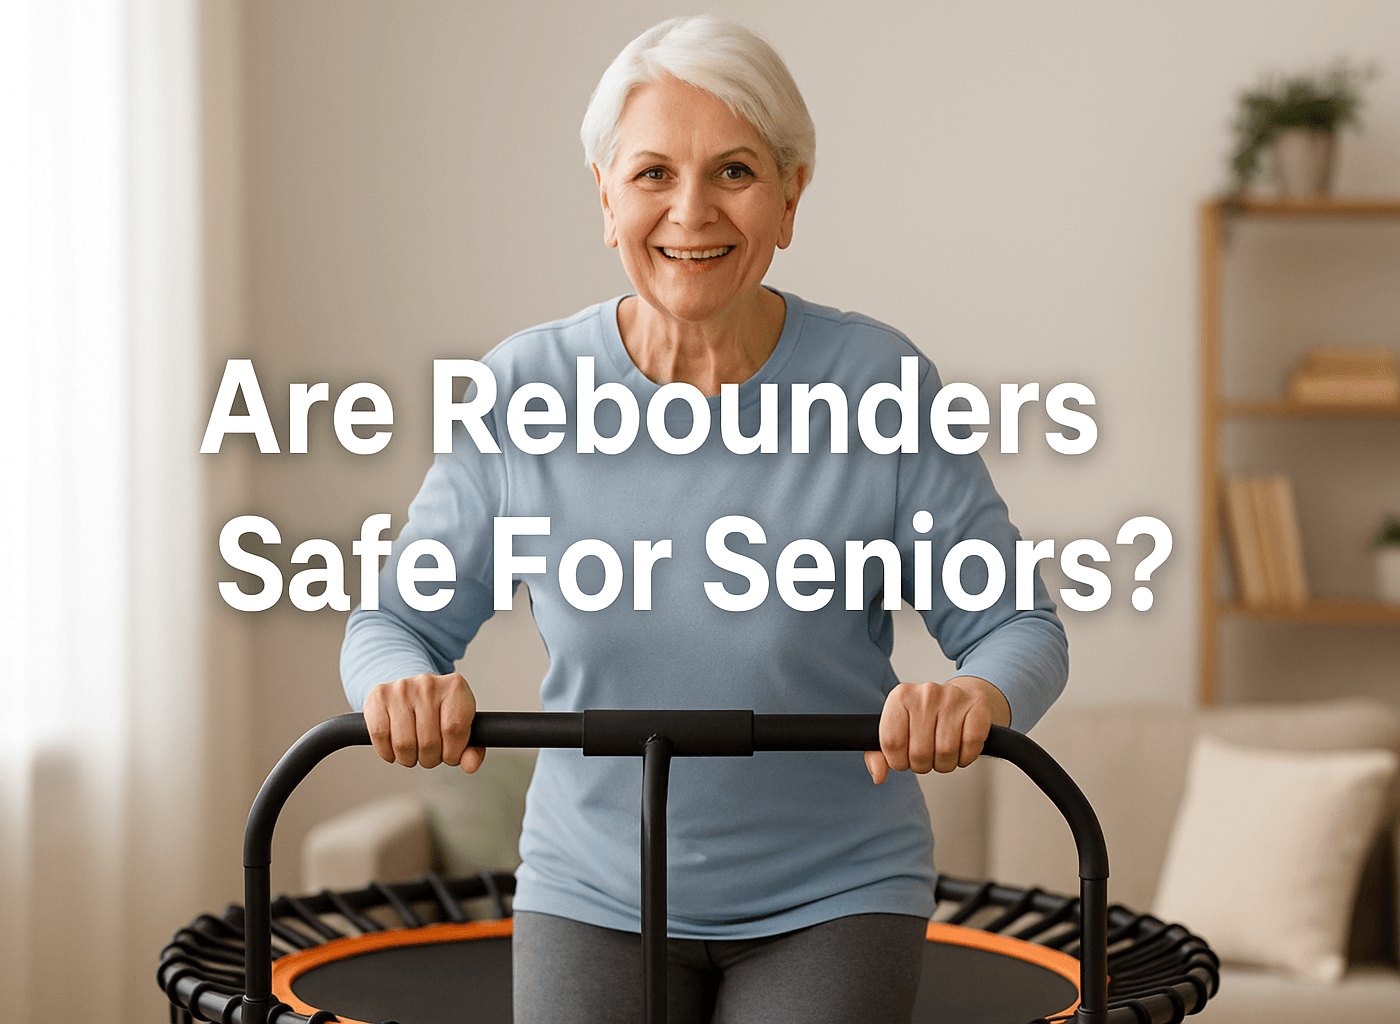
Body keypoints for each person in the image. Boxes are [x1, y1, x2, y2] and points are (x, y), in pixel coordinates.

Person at [340, 15, 1067, 1024]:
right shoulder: (523, 390)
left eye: (733, 171)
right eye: (651, 175)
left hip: (834, 894)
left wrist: (975, 697)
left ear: (790, 196)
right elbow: (391, 627)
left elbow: (1020, 628)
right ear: (605, 195)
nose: (691, 211)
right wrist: (400, 688)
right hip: (591, 891)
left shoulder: (880, 383)